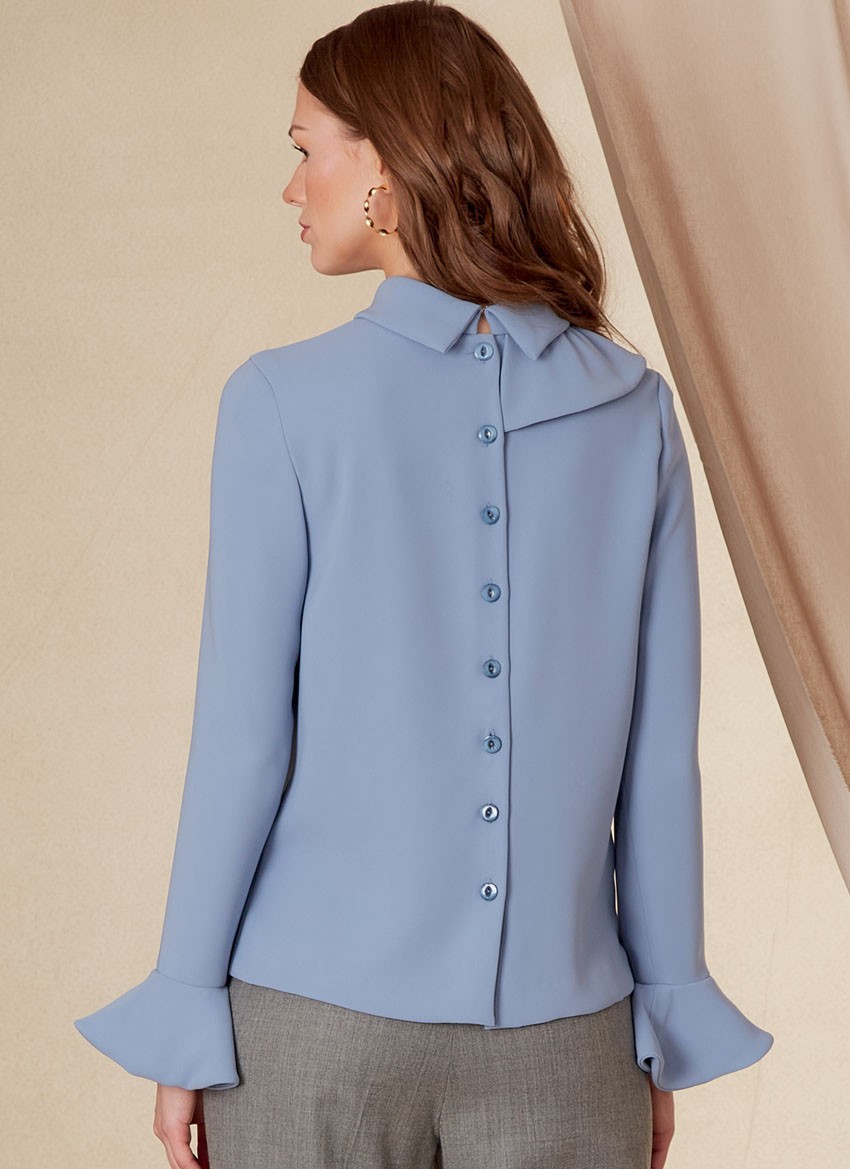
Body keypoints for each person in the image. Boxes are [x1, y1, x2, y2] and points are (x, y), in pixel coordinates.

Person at [73, 3, 774, 1167]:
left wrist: (186, 1003)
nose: (291, 187)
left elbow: (243, 738)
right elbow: (656, 758)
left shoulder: (281, 402)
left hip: (307, 1034)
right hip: (571, 1040)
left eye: (307, 149)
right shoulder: (631, 410)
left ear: (386, 167)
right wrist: (663, 1011)